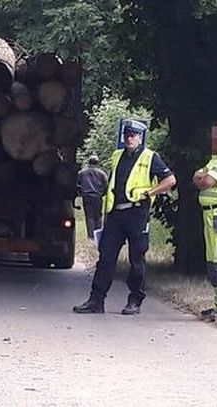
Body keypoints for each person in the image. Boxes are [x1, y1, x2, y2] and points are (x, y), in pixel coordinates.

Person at [73, 119, 176, 315]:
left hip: (137, 213)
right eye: (127, 135)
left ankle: (135, 301)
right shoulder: (117, 155)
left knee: (136, 258)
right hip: (116, 214)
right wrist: (106, 214)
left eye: (134, 135)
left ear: (140, 137)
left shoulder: (150, 157)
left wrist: (150, 192)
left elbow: (170, 180)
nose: (130, 138)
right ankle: (96, 301)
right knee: (106, 258)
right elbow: (112, 184)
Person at [193, 121, 217, 321]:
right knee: (213, 262)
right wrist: (202, 176)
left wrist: (203, 177)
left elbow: (205, 181)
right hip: (211, 216)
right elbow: (196, 177)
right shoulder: (215, 160)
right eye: (215, 136)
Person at [78, 155, 108, 239]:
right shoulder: (102, 174)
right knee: (98, 216)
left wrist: (81, 193)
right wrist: (102, 194)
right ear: (97, 163)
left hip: (87, 197)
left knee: (89, 217)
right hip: (98, 197)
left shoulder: (82, 173)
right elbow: (106, 186)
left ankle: (90, 236)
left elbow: (78, 185)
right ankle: (97, 235)